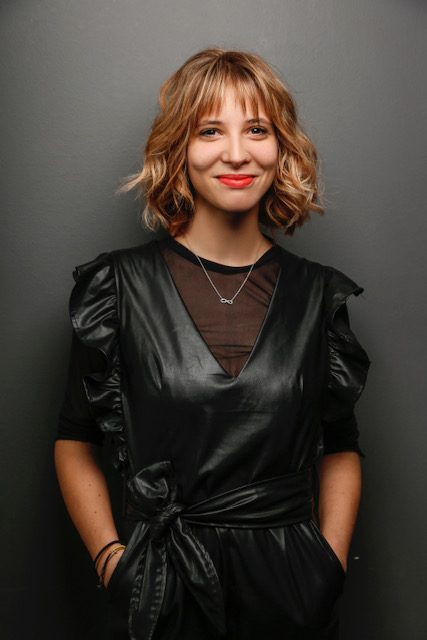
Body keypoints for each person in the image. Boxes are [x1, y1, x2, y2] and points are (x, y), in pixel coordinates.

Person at [55, 48, 370, 640]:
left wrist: (326, 568)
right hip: (160, 592)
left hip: (292, 599)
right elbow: (75, 439)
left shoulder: (318, 294)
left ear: (281, 148)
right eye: (210, 131)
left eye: (257, 129)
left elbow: (341, 445)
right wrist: (113, 564)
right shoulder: (116, 287)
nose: (236, 153)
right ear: (179, 147)